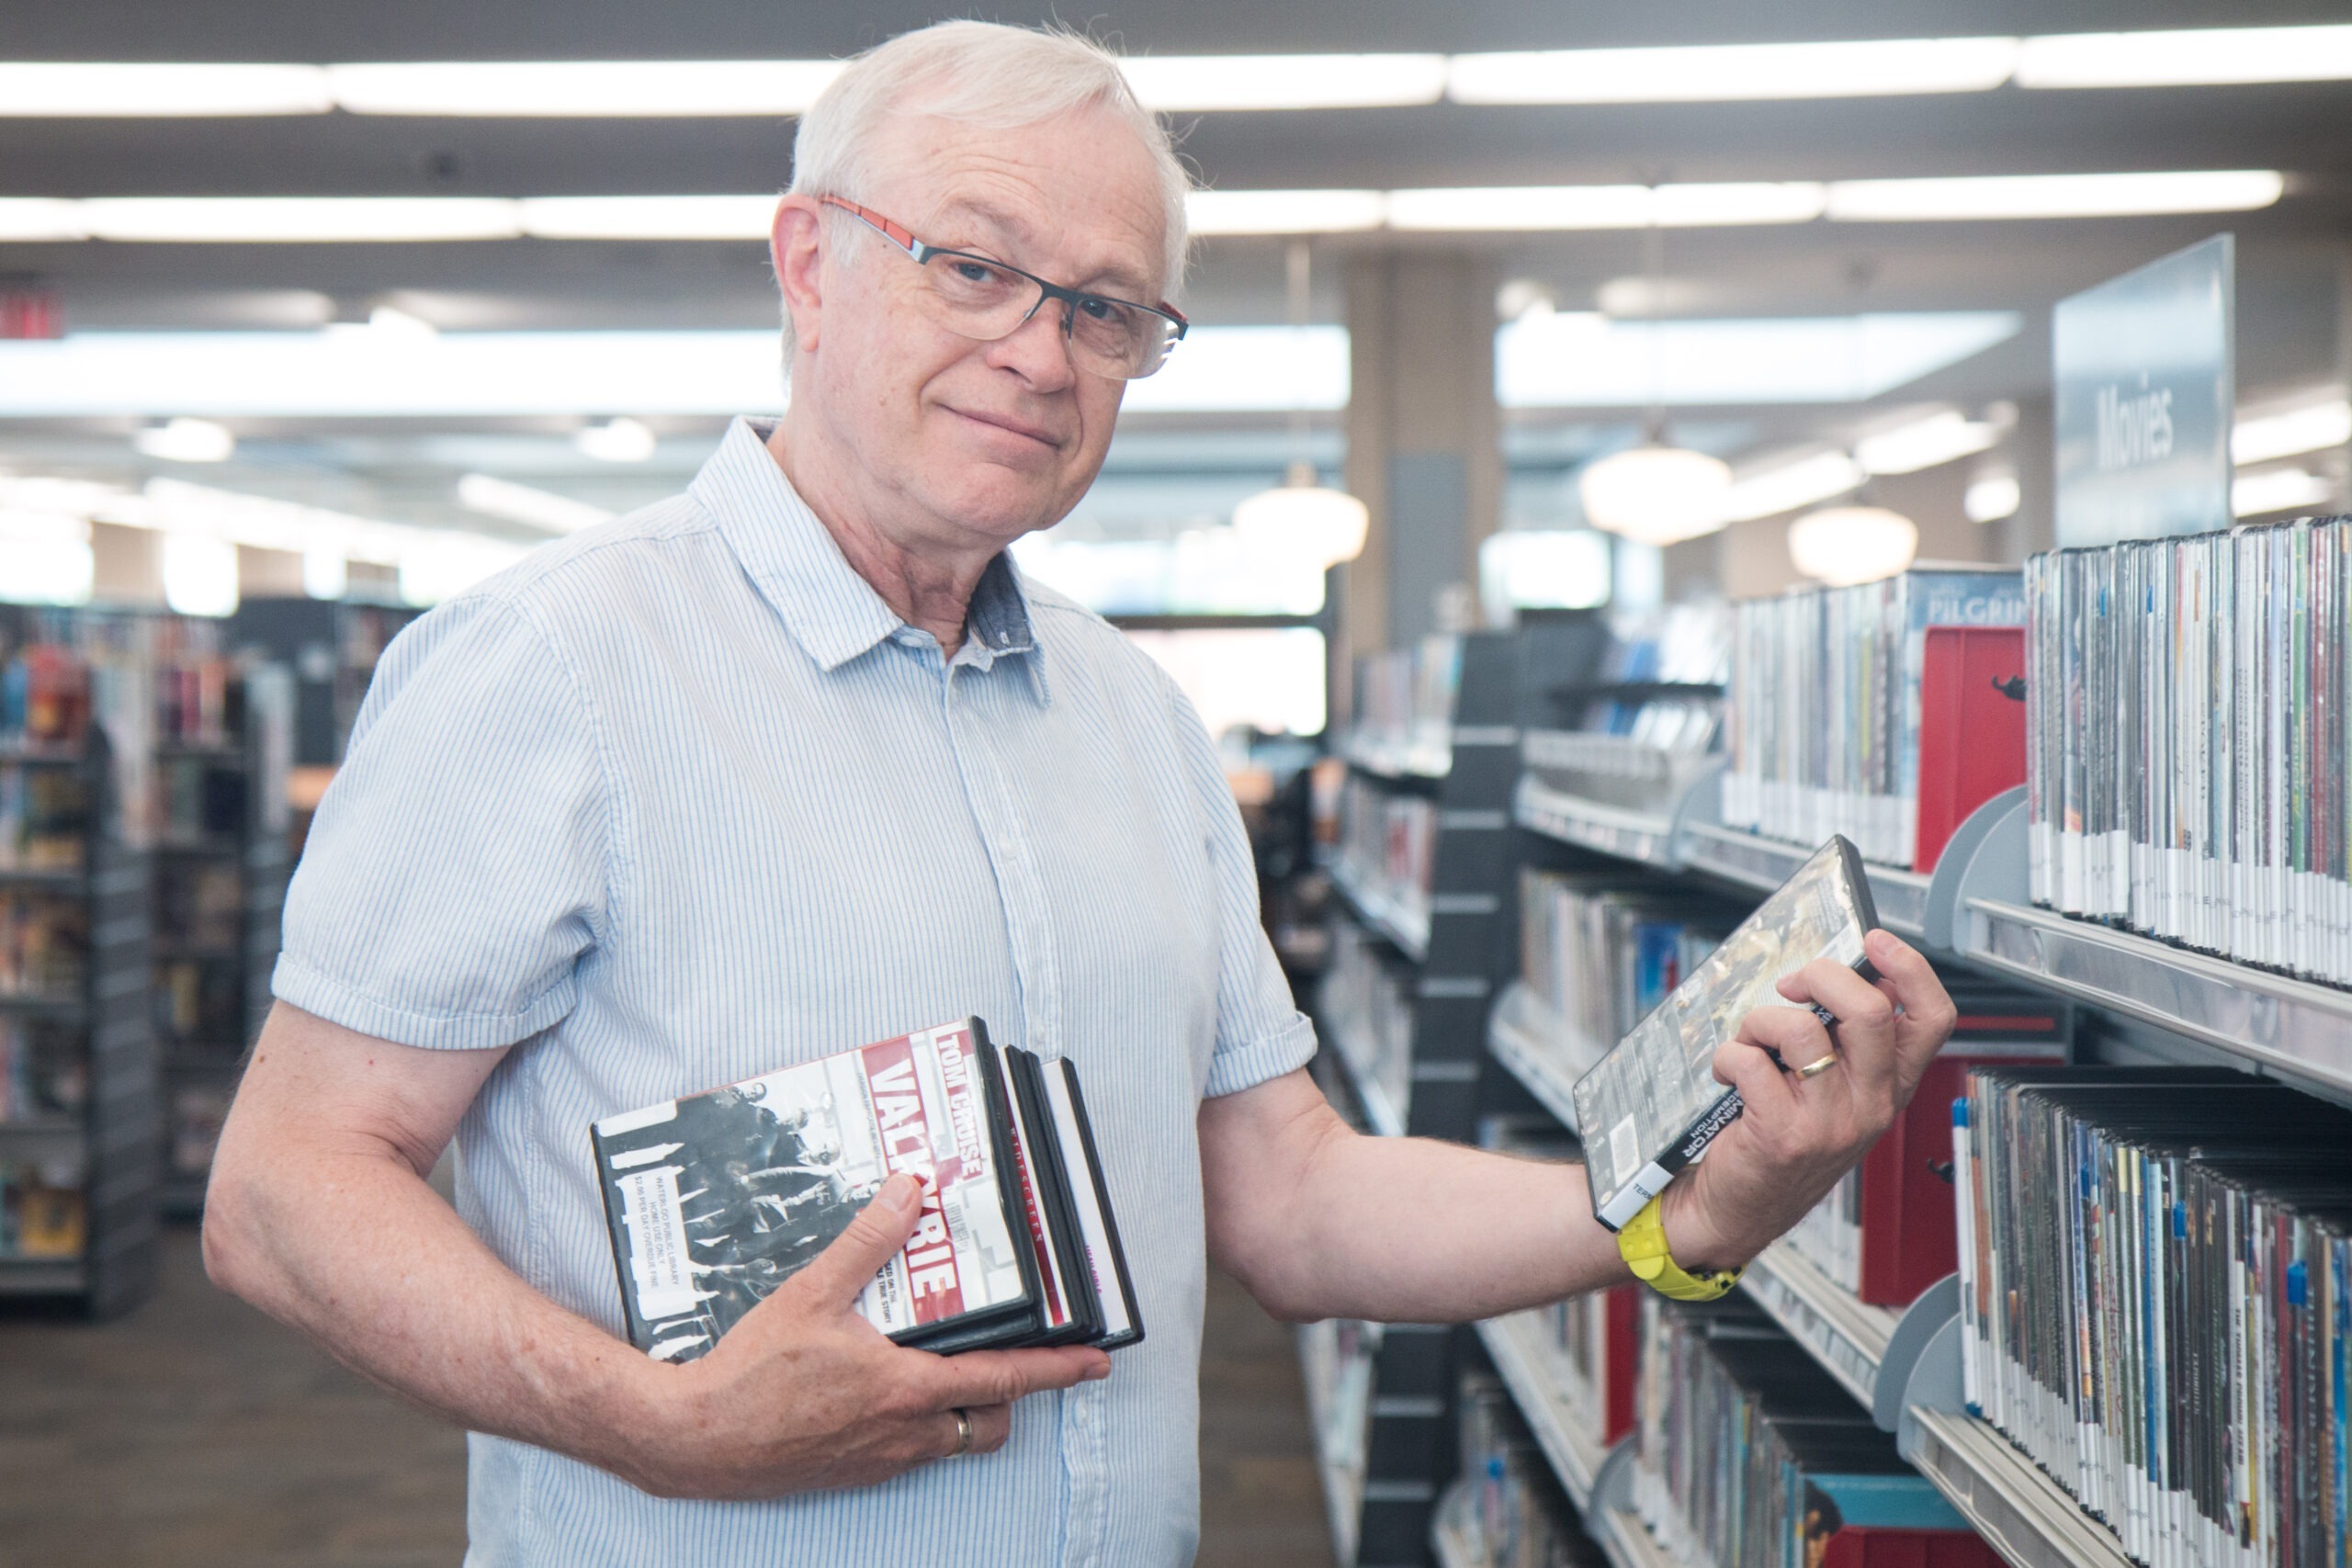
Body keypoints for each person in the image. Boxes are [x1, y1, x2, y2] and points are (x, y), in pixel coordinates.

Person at [201, 19, 1959, 1568]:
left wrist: (1674, 1216)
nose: (1041, 352)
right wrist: (646, 1420)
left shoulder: (1136, 720)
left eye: (1107, 309)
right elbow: (286, 1188)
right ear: (807, 262)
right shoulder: (548, 666)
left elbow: (1292, 1197)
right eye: (974, 266)